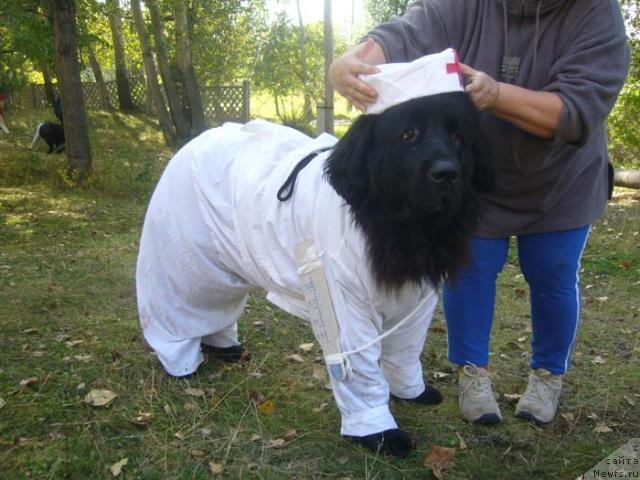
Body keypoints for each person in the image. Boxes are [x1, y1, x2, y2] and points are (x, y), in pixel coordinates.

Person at [329, 0, 630, 425]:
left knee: (553, 274)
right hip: (471, 176)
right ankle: (474, 374)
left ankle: (547, 376)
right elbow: (408, 32)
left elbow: (578, 110)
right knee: (469, 272)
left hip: (561, 181)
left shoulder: (597, 14)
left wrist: (497, 95)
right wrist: (354, 61)